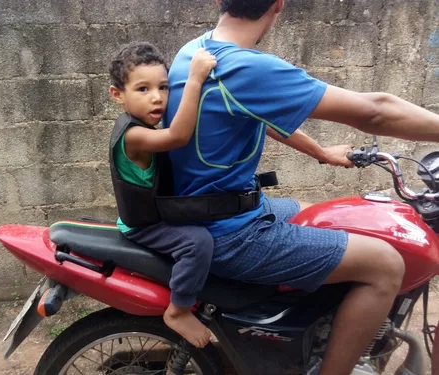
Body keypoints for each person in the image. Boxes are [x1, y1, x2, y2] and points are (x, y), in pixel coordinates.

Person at [165, 1, 439, 374]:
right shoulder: (248, 67)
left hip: (212, 210)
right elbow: (375, 109)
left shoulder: (197, 50)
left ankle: (319, 332)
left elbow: (265, 114)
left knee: (330, 217)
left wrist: (322, 152)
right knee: (386, 265)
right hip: (229, 232)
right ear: (279, 4)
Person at [108, 42, 216, 348]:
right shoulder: (134, 134)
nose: (157, 97)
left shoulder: (144, 124)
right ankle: (179, 309)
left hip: (151, 213)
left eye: (164, 87)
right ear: (118, 94)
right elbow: (178, 136)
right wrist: (194, 79)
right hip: (144, 225)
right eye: (143, 89)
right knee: (198, 243)